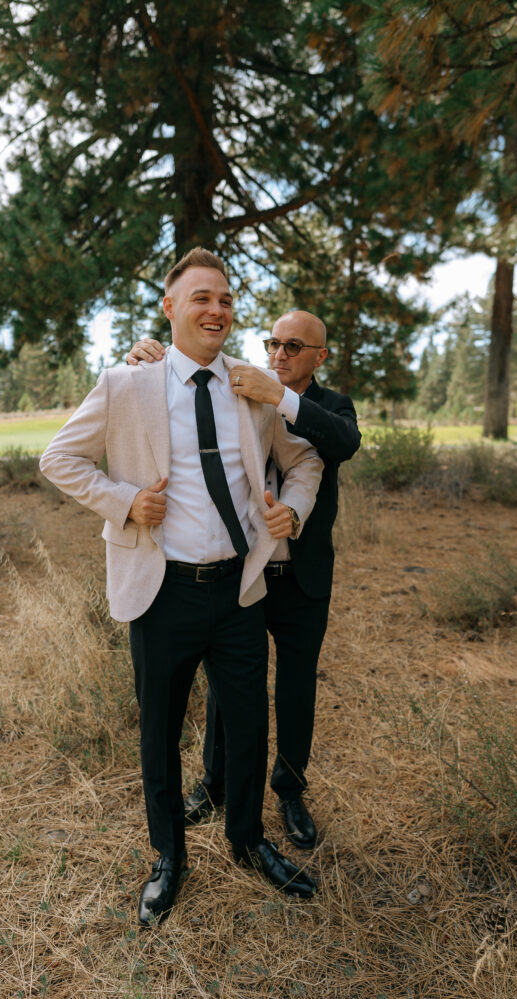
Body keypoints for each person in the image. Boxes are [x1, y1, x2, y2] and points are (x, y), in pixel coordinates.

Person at [40, 249, 323, 927]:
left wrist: (294, 511)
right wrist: (124, 500)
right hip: (160, 592)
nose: (216, 309)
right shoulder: (127, 383)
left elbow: (304, 457)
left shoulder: (251, 388)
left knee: (249, 725)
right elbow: (59, 458)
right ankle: (169, 858)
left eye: (225, 299)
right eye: (200, 298)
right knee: (159, 734)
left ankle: (248, 840)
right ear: (169, 309)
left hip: (236, 593)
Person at [127, 309, 360, 849]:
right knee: (229, 690)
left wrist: (282, 399)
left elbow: (342, 444)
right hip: (244, 573)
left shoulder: (326, 406)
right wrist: (146, 358)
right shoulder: (239, 388)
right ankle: (214, 783)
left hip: (301, 579)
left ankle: (290, 792)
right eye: (273, 343)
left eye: (294, 346)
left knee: (296, 687)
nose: (279, 354)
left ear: (319, 357)